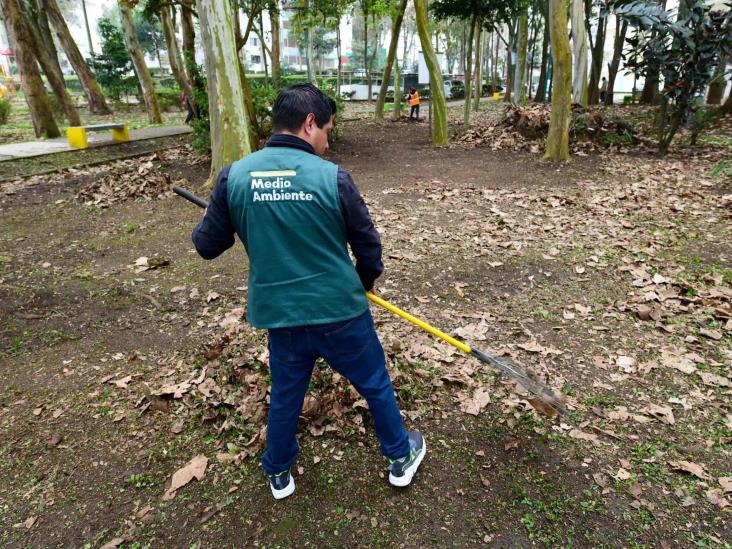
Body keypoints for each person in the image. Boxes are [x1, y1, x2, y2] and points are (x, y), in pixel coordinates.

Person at [191, 84, 426, 500]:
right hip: (340, 311)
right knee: (374, 383)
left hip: (282, 317)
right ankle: (399, 457)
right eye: (327, 130)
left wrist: (224, 212)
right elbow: (368, 246)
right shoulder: (333, 178)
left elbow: (208, 246)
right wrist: (363, 283)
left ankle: (277, 471)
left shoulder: (235, 176)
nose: (328, 141)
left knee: (285, 395)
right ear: (309, 123)